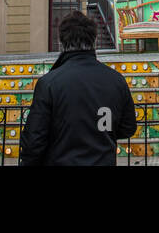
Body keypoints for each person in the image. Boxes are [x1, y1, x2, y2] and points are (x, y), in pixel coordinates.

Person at [19, 11, 136, 166]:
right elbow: (128, 128)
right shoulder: (116, 80)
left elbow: (34, 139)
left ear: (62, 42)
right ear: (94, 40)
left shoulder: (49, 83)